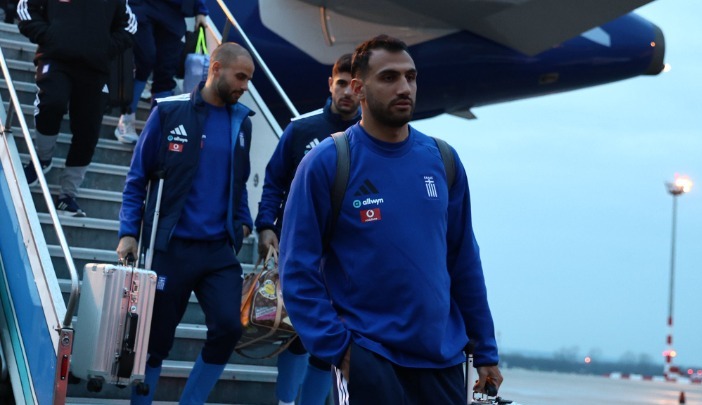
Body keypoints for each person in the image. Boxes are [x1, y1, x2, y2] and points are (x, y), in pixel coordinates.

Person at [279, 35, 503, 404]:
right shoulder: (328, 162)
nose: (404, 88)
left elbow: (464, 260)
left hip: (442, 360)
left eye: (410, 77)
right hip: (369, 356)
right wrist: (340, 350)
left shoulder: (443, 160)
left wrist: (485, 349)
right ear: (358, 88)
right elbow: (297, 270)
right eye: (388, 77)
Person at [116, 42, 255, 404]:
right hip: (170, 247)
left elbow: (239, 182)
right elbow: (137, 178)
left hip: (218, 251)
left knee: (229, 327)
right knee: (154, 341)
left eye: (248, 79)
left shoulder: (242, 122)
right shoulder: (168, 111)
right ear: (216, 69)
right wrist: (128, 232)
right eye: (240, 77)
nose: (245, 86)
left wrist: (243, 222)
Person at [255, 53, 360, 405]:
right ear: (330, 84)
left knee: (329, 343)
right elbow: (274, 181)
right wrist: (266, 225)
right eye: (340, 83)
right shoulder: (301, 129)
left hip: (346, 257)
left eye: (353, 85)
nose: (346, 92)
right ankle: (286, 401)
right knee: (296, 334)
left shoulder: (368, 138)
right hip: (301, 250)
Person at [17, 0, 136, 217]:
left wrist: (103, 48)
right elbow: (25, 8)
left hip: (95, 68)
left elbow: (129, 25)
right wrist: (50, 36)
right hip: (56, 59)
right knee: (51, 103)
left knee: (88, 131)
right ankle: (42, 159)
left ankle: (67, 196)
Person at [113, 0, 208, 144]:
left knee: (166, 72)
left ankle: (156, 129)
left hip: (174, 13)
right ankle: (126, 118)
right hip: (143, 6)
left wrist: (201, 10)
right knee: (144, 60)